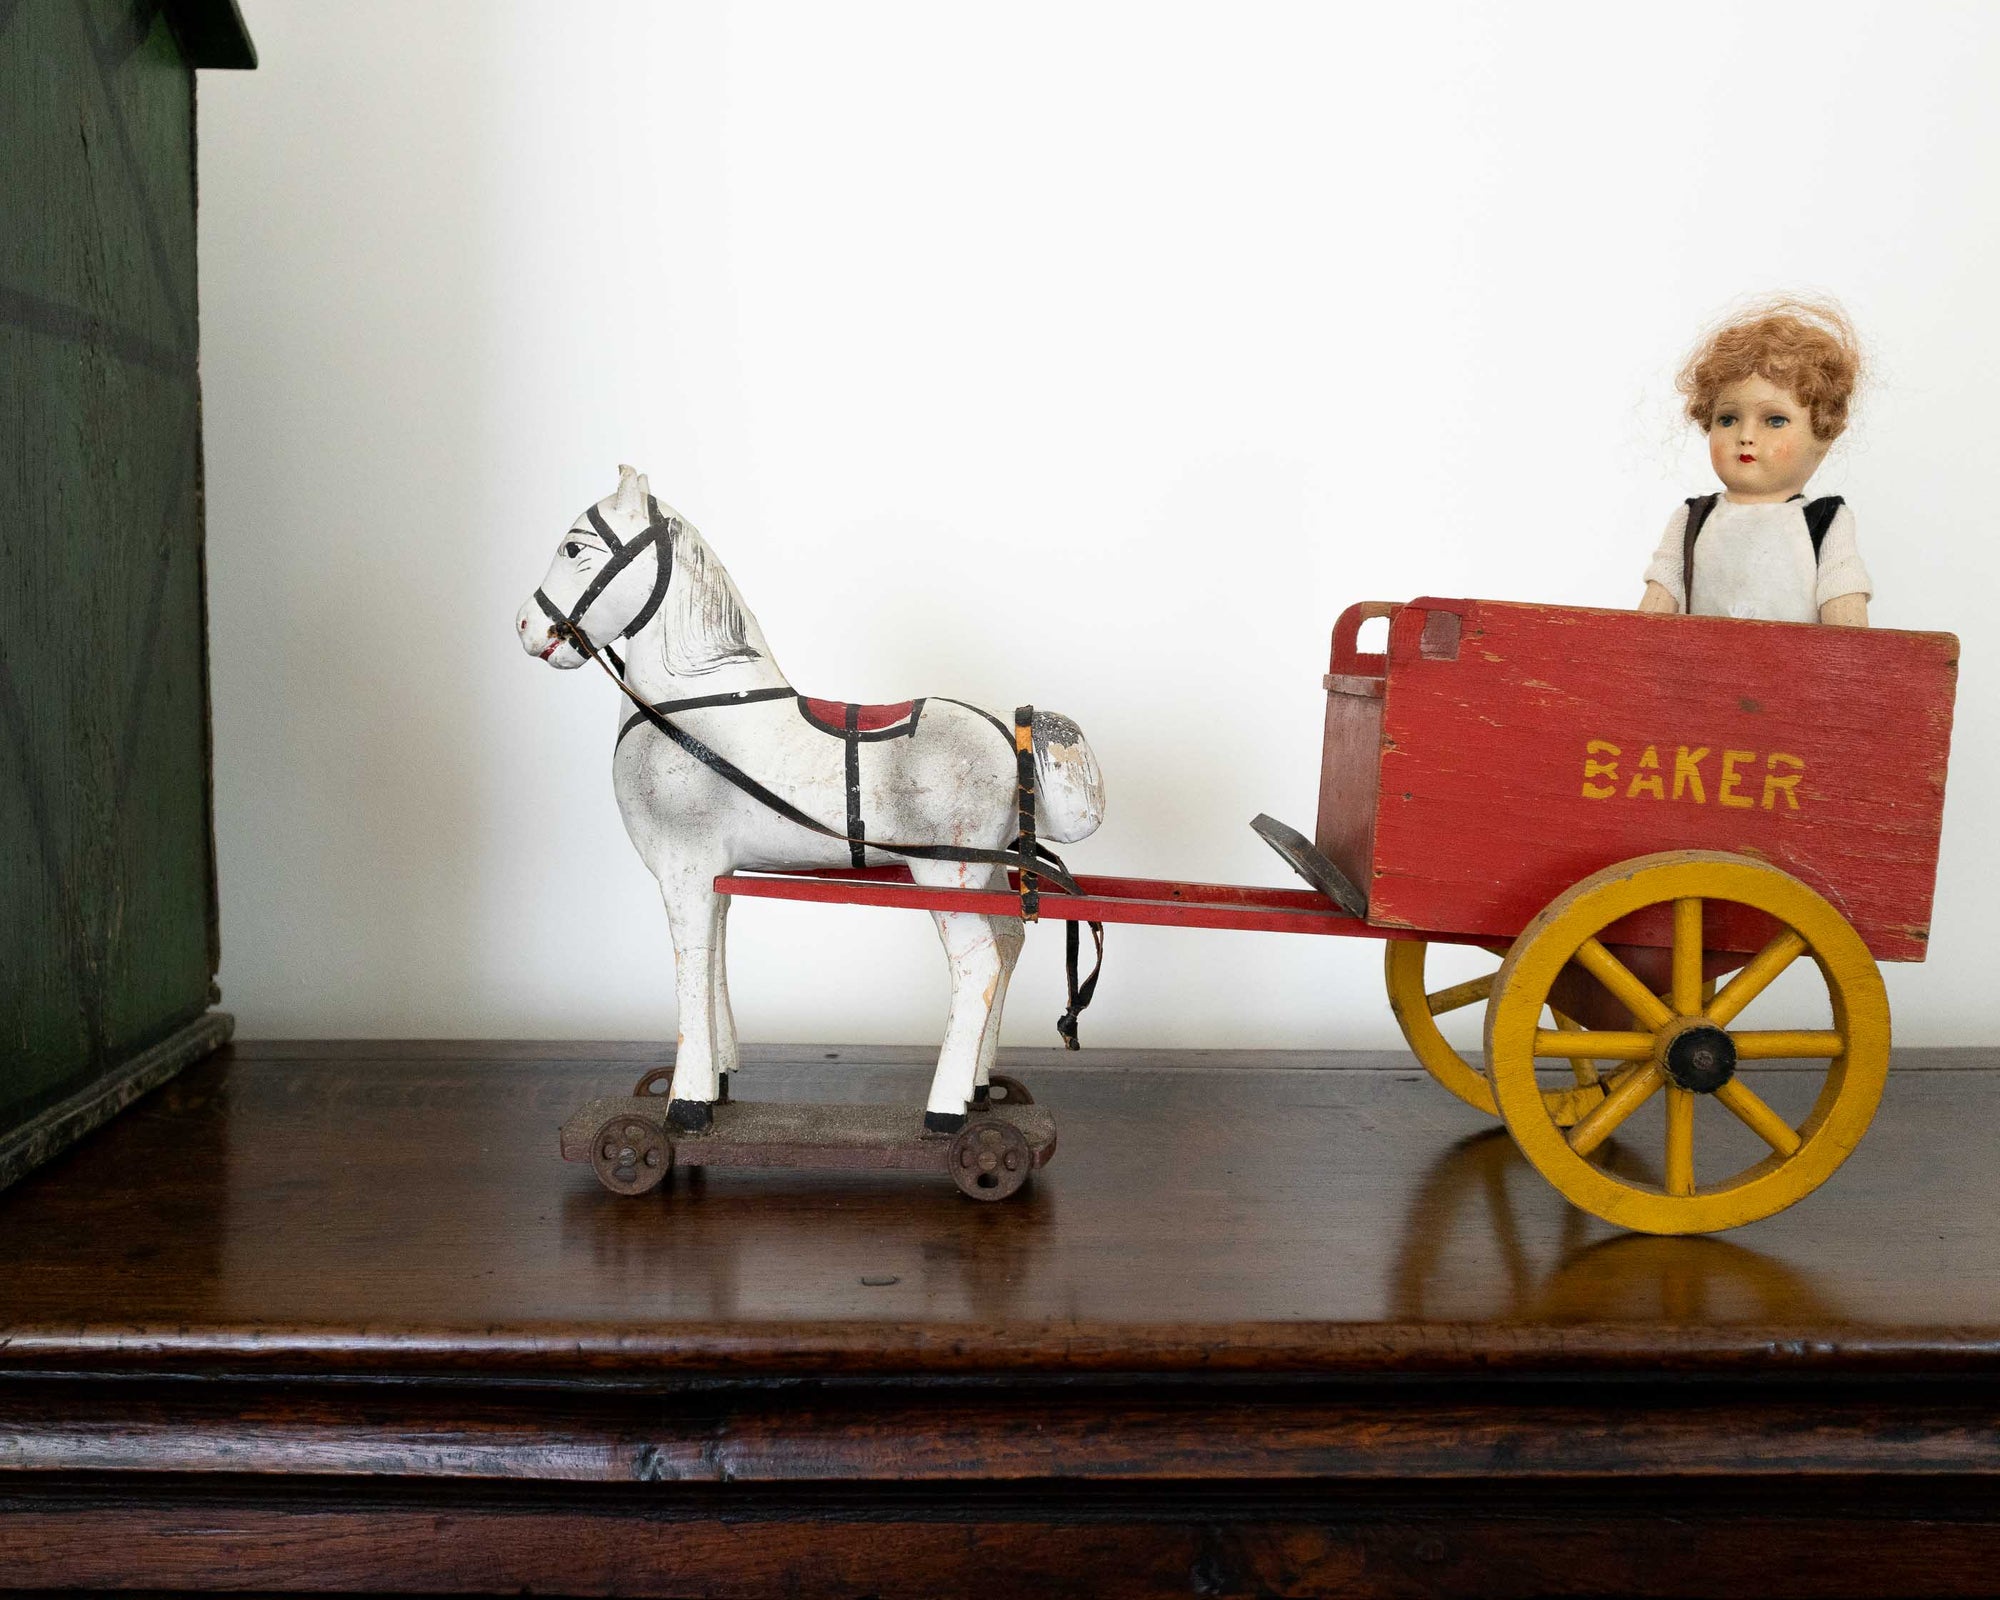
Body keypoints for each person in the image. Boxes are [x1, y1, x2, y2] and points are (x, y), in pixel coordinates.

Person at [1639, 297, 1871, 627]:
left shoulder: (1825, 523)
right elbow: (1652, 613)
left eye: (1774, 420)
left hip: (1793, 675)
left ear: (1823, 433)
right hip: (1700, 673)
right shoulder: (1692, 520)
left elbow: (1846, 618)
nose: (1746, 435)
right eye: (1728, 419)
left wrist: (1850, 666)